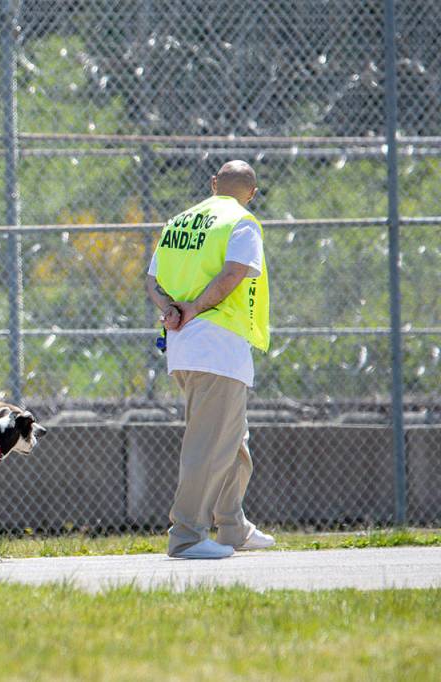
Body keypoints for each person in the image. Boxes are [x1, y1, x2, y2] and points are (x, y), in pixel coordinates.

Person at [145, 160, 275, 559]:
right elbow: (235, 272)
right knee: (209, 444)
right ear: (252, 192)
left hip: (184, 346)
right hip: (218, 347)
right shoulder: (242, 221)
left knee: (233, 439)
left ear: (214, 184)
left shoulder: (180, 221)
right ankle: (186, 536)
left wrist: (172, 310)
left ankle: (232, 526)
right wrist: (197, 308)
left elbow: (152, 280)